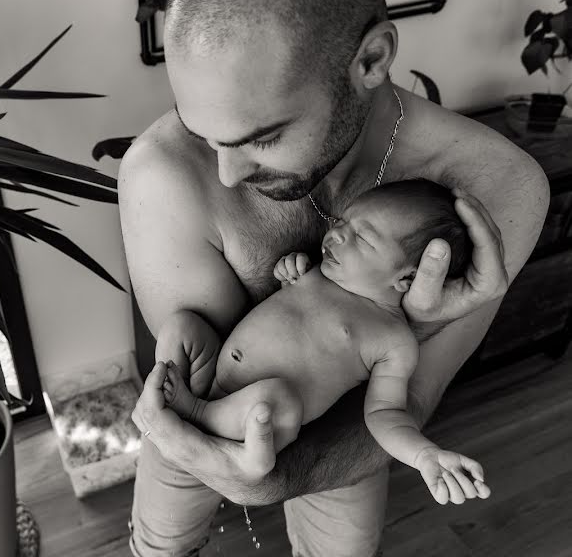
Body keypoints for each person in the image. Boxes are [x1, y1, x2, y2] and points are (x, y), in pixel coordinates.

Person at [117, 0, 549, 555]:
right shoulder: (163, 174)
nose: (227, 172)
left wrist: (426, 323)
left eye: (262, 138)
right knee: (160, 545)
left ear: (371, 60)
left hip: (341, 438)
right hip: (199, 414)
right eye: (207, 136)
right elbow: (194, 368)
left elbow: (405, 403)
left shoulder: (495, 187)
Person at [153, 179, 491, 508]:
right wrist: (290, 274)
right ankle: (174, 395)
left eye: (362, 238)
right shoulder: (319, 272)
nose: (339, 233)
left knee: (279, 398)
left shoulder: (392, 340)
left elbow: (385, 413)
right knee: (182, 326)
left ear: (408, 279)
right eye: (343, 221)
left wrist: (424, 455)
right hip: (213, 377)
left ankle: (196, 413)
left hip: (257, 422)